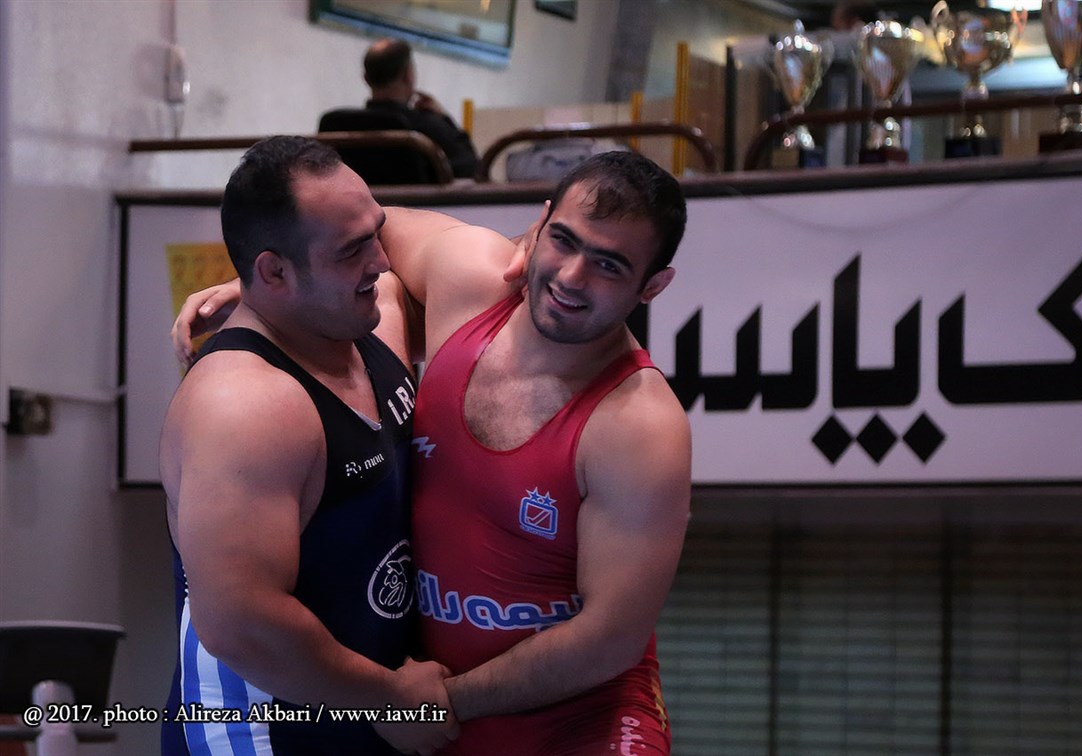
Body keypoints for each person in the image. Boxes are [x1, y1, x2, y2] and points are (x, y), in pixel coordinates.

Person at [174, 151, 693, 754]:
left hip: (565, 722)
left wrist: (434, 702)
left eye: (608, 264)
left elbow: (609, 641)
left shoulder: (641, 425)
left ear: (652, 286)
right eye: (564, 241)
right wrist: (268, 283)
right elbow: (367, 221)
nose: (572, 277)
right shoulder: (468, 278)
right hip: (400, 721)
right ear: (540, 224)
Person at [159, 135, 458, 755]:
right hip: (263, 735)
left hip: (359, 719)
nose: (381, 261)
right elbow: (241, 623)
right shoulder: (243, 404)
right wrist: (389, 699)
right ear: (276, 272)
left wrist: (255, 280)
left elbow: (455, 246)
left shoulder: (369, 317)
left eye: (376, 234)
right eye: (352, 251)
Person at [319, 38, 478, 179]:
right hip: (415, 204)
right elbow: (471, 167)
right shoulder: (425, 127)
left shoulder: (334, 125)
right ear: (408, 75)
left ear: (366, 79)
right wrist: (444, 118)